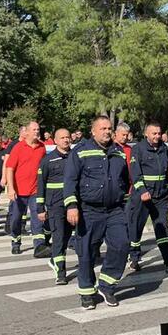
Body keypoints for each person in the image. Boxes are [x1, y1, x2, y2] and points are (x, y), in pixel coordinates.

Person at [64, 115, 136, 309]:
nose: (106, 131)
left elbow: (123, 180)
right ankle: (87, 292)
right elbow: (70, 181)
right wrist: (71, 206)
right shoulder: (80, 152)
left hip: (114, 210)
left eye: (109, 128)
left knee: (122, 245)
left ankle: (107, 285)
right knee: (86, 252)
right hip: (88, 210)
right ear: (93, 131)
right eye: (102, 128)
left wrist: (124, 201)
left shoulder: (118, 152)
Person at [127, 122, 168, 274]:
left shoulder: (164, 148)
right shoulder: (138, 149)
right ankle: (134, 258)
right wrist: (143, 190)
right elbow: (135, 173)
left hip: (160, 197)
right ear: (146, 134)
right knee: (136, 228)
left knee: (162, 228)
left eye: (159, 133)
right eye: (154, 134)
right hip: (142, 197)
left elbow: (167, 172)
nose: (157, 136)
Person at [5, 121, 48, 256]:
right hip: (19, 191)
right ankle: (16, 241)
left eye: (38, 129)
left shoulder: (42, 147)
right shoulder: (18, 147)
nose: (37, 132)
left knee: (37, 218)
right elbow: (10, 168)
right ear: (27, 132)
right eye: (34, 129)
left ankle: (39, 246)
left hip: (35, 190)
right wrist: (11, 188)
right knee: (16, 219)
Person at [37, 128, 73, 285]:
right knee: (58, 236)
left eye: (68, 137)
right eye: (62, 138)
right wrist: (40, 208)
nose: (66, 140)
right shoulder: (47, 160)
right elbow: (40, 185)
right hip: (54, 204)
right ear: (56, 140)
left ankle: (54, 259)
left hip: (71, 204)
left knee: (66, 236)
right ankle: (61, 272)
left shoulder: (75, 157)